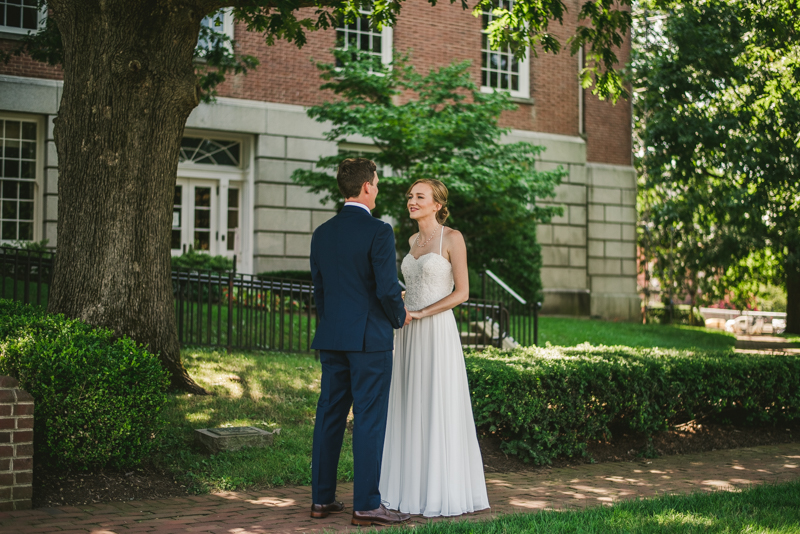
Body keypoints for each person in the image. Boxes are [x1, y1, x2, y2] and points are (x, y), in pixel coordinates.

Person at [309, 158, 413, 527]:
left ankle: (321, 500)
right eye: (378, 183)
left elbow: (320, 291)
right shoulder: (378, 231)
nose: (379, 189)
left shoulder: (322, 232)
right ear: (367, 187)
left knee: (329, 417)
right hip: (369, 342)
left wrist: (332, 325)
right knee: (369, 420)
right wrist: (400, 317)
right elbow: (387, 289)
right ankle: (367, 504)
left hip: (333, 338)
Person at [379, 178, 490, 517]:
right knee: (409, 402)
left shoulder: (452, 238)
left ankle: (441, 490)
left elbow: (462, 292)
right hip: (408, 332)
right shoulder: (412, 239)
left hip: (436, 330)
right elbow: (412, 284)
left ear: (438, 204)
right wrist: (402, 303)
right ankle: (408, 487)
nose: (412, 201)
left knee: (435, 402)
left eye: (420, 197)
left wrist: (423, 312)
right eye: (410, 196)